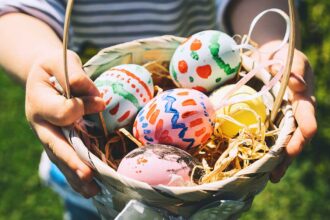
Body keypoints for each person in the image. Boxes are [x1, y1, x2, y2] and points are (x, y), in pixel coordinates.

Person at [0, 0, 317, 219]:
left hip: (202, 199)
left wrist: (271, 47)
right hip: (93, 176)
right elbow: (17, 11)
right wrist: (44, 62)